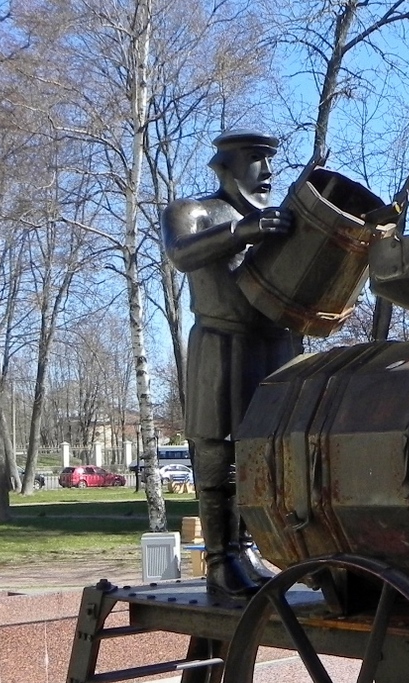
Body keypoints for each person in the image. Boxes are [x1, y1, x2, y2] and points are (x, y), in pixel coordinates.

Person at [162, 130, 297, 597]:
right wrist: (244, 231)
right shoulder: (193, 211)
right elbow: (182, 254)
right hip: (220, 342)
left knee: (257, 456)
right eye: (257, 159)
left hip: (271, 345)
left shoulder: (278, 220)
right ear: (227, 164)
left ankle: (246, 549)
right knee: (217, 454)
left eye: (270, 160)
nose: (268, 171)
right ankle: (221, 559)